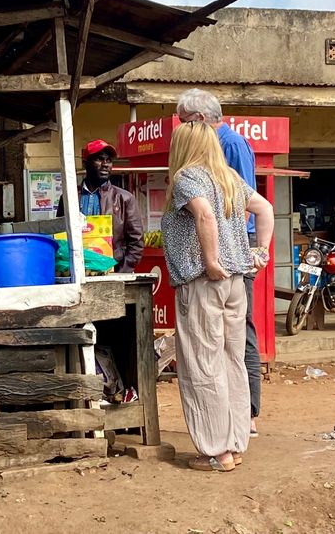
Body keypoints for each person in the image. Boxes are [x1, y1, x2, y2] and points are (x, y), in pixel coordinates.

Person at [161, 122, 273, 471]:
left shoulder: (187, 178)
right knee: (231, 361)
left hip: (203, 282)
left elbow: (204, 215)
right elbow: (266, 208)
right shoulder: (229, 178)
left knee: (201, 363)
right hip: (236, 282)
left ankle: (216, 451)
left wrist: (210, 261)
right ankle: (235, 444)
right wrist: (262, 253)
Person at [176, 88, 261, 438]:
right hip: (228, 261)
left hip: (224, 264)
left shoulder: (229, 147)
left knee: (226, 348)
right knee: (226, 348)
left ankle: (239, 425)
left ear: (198, 121)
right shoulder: (206, 161)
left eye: (182, 122)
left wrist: (219, 256)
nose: (180, 129)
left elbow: (233, 209)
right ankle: (235, 432)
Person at [57, 139, 144, 272]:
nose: (105, 164)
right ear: (86, 163)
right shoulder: (69, 198)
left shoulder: (125, 199)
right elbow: (60, 235)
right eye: (99, 159)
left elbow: (136, 243)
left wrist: (121, 273)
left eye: (109, 160)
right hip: (75, 272)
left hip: (113, 273)